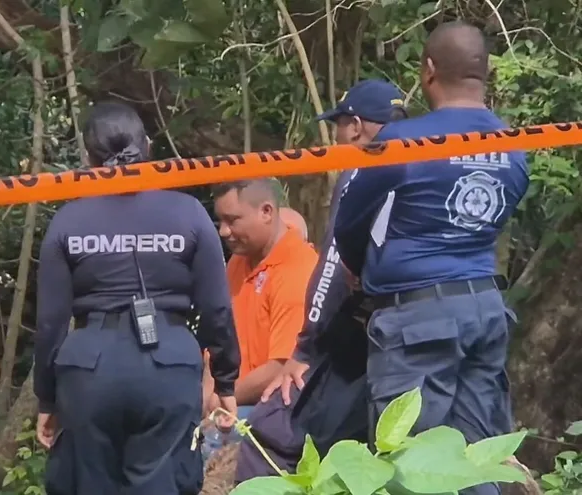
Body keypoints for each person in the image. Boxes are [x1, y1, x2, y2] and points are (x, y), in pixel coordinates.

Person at [334, 21, 527, 495]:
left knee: (407, 467)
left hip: (418, 320)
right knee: (478, 461)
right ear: (485, 73)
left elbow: (348, 224)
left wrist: (361, 272)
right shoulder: (515, 147)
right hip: (485, 310)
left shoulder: (403, 142)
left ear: (428, 70)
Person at [34, 100, 240, 495]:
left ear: (89, 158)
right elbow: (216, 307)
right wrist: (226, 382)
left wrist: (47, 398)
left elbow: (50, 324)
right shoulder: (189, 213)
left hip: (89, 371)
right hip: (169, 367)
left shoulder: (68, 220)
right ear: (147, 147)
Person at [233, 79, 408, 482]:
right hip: (423, 330)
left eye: (339, 126)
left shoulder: (364, 167)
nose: (337, 137)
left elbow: (333, 265)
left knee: (268, 433)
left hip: (359, 336)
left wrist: (305, 348)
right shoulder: (435, 157)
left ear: (357, 127)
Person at [199, 179, 318, 459]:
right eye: (220, 221)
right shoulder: (238, 262)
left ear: (266, 212)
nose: (223, 231)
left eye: (232, 220)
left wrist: (222, 399)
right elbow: (216, 344)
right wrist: (207, 399)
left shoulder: (298, 268)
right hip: (232, 400)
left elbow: (281, 368)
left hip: (276, 409)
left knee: (209, 442)